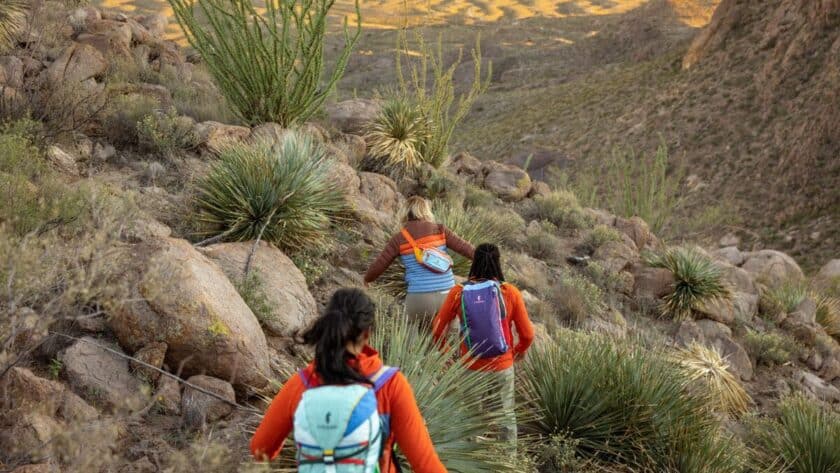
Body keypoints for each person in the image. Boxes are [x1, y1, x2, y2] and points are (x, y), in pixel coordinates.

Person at [250, 288, 447, 473]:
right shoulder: (390, 385)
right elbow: (425, 464)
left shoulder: (303, 383)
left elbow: (261, 448)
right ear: (368, 333)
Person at [431, 243, 534, 447]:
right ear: (497, 262)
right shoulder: (510, 292)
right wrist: (517, 352)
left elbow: (437, 330)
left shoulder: (458, 292)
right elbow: (528, 335)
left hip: (471, 366)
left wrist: (447, 356)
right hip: (502, 365)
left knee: (470, 418)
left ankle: (471, 462)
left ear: (474, 262)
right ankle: (507, 463)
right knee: (505, 415)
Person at [364, 196, 474, 327]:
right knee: (451, 337)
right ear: (425, 211)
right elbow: (468, 250)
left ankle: (412, 347)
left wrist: (367, 278)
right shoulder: (440, 230)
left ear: (405, 213)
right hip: (447, 296)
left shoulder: (399, 239)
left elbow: (380, 264)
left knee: (409, 330)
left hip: (418, 298)